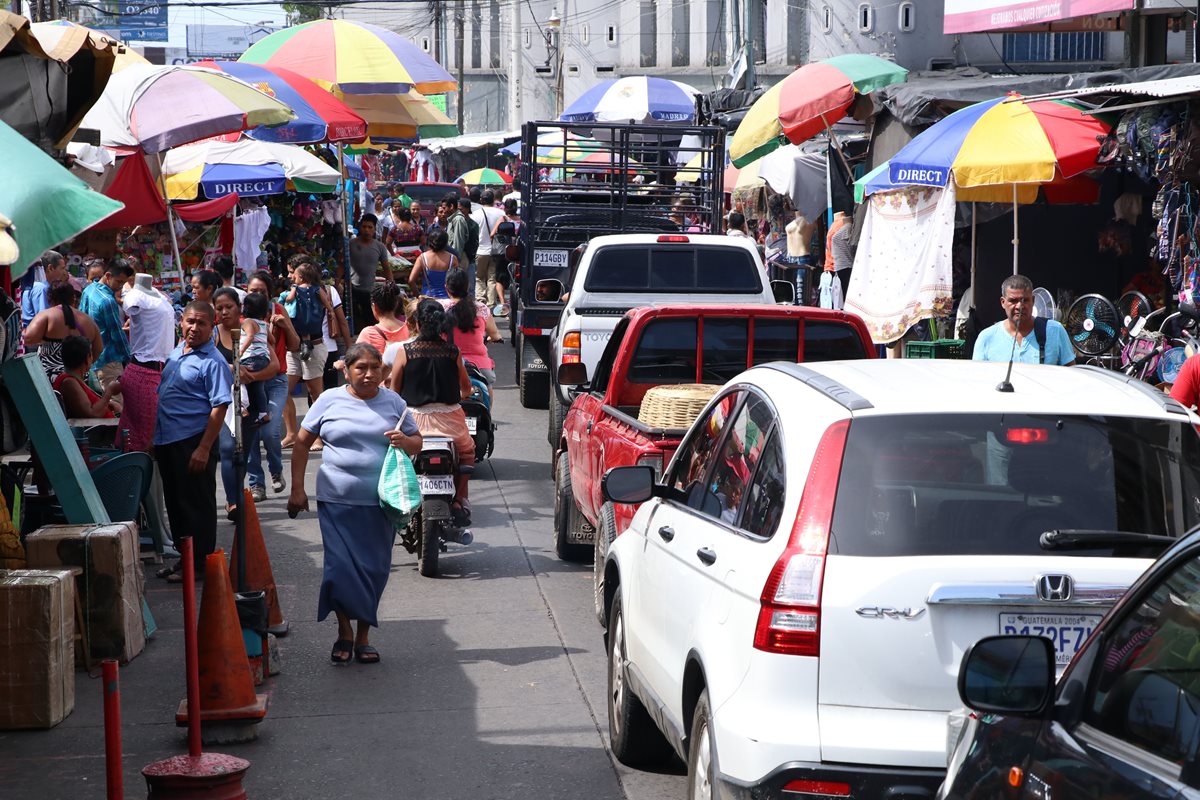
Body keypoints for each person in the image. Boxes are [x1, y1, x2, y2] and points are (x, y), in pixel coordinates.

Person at [288, 343, 422, 665]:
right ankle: (344, 631)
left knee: (373, 571)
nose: (369, 374)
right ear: (346, 370)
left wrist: (405, 442)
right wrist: (297, 488)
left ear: (382, 371)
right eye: (360, 367)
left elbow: (417, 441)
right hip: (336, 502)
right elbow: (302, 444)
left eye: (375, 367)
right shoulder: (328, 400)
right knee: (339, 570)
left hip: (381, 504)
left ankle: (363, 637)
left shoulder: (394, 402)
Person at [154, 301, 232, 583]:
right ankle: (184, 560)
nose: (194, 328)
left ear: (212, 327)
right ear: (181, 322)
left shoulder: (214, 362)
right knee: (176, 504)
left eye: (201, 323)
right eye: (190, 322)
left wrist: (204, 447)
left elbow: (219, 407)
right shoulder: (177, 352)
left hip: (193, 442)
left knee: (196, 505)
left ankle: (199, 564)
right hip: (168, 440)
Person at [389, 299, 475, 525]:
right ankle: (460, 499)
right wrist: (456, 396)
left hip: (413, 421)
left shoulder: (405, 351)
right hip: (451, 421)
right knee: (467, 453)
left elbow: (393, 392)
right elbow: (466, 389)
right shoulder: (453, 351)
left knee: (399, 454)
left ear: (416, 322)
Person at [212, 288, 280, 520]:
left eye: (228, 307)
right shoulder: (212, 335)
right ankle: (233, 503)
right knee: (228, 449)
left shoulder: (252, 330)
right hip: (224, 405)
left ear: (239, 308)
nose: (223, 312)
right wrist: (232, 369)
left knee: (242, 455)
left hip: (250, 405)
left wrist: (250, 376)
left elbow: (274, 366)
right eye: (219, 308)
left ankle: (236, 496)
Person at [246, 271, 298, 501]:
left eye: (261, 292)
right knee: (249, 435)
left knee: (269, 431)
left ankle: (276, 471)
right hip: (249, 381)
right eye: (252, 291)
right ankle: (256, 484)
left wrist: (285, 326)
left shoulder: (278, 311)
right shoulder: (242, 317)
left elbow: (295, 346)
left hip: (276, 381)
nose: (257, 295)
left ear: (270, 295)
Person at [121, 273, 176, 454]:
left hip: (162, 372)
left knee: (157, 435)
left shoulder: (159, 295)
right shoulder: (134, 297)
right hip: (144, 371)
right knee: (146, 438)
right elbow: (128, 305)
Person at [282, 262, 334, 448]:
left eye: (292, 273)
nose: (290, 277)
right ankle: (291, 434)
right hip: (293, 349)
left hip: (313, 344)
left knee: (315, 393)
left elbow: (330, 308)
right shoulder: (300, 290)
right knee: (283, 391)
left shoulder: (316, 290)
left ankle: (318, 437)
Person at [972, 274, 1075, 366]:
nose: (1020, 306)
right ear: (1003, 302)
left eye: (1025, 300)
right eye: (1013, 301)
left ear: (1033, 301)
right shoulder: (987, 337)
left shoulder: (1055, 331)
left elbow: (1072, 375)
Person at [24, 281, 102, 381]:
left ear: (50, 299)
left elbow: (28, 338)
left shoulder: (46, 316)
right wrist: (83, 367)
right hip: (79, 378)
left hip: (50, 379)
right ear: (73, 298)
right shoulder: (88, 321)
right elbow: (99, 348)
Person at [79, 256, 134, 391]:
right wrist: (130, 360)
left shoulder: (89, 290)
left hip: (93, 360)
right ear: (108, 275)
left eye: (123, 283)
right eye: (119, 282)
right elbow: (117, 336)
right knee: (116, 405)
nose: (121, 286)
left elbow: (82, 320)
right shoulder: (107, 301)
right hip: (109, 362)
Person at [443, 268, 502, 384]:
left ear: (447, 288)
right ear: (467, 286)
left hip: (448, 364)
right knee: (488, 385)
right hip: (481, 368)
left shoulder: (441, 307)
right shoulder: (481, 308)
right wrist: (494, 338)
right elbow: (495, 334)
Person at [52, 335, 122, 419]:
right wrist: (109, 391)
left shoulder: (73, 379)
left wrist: (108, 403)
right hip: (103, 430)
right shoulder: (69, 382)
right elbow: (92, 414)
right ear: (87, 358)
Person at [348, 213, 392, 334]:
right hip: (352, 290)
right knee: (354, 319)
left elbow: (386, 268)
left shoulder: (380, 247)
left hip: (370, 290)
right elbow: (342, 264)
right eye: (364, 227)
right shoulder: (351, 244)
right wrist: (337, 281)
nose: (366, 230)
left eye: (370, 227)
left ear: (374, 229)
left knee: (370, 319)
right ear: (360, 227)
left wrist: (391, 284)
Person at [238, 291, 274, 427]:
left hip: (251, 358)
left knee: (239, 377)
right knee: (258, 386)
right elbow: (272, 339)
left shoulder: (248, 322)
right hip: (264, 359)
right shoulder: (263, 324)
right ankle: (263, 413)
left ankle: (243, 407)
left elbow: (250, 336)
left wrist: (240, 352)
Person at [357, 281, 410, 367]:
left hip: (381, 380)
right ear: (396, 303)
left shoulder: (368, 333)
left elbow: (358, 363)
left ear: (374, 306)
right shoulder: (411, 328)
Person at [472, 188, 503, 308]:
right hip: (496, 250)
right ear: (493, 200)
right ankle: (491, 303)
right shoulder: (500, 213)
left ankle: (480, 301)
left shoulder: (475, 214)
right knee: (492, 277)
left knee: (479, 277)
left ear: (481, 200)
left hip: (480, 250)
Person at [21, 250, 69, 326]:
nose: (64, 273)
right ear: (50, 268)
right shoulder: (41, 288)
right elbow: (45, 320)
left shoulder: (38, 286)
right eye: (62, 268)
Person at [408, 229, 458, 299]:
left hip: (427, 298)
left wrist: (418, 297)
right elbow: (457, 281)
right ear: (445, 243)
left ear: (430, 242)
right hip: (447, 298)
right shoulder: (453, 259)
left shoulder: (422, 258)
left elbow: (411, 281)